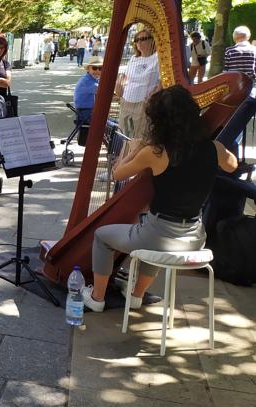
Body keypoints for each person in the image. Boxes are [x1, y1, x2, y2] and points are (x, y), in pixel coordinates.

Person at [81, 85, 238, 312]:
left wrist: (134, 149)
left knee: (102, 236)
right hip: (194, 238)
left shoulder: (155, 152)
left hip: (159, 236)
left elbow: (117, 173)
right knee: (151, 237)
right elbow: (232, 166)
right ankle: (136, 295)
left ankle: (96, 298)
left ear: (159, 121)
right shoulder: (214, 148)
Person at [114, 29, 160, 139]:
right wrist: (118, 85)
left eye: (143, 39)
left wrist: (152, 96)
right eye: (136, 40)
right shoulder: (133, 59)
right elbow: (124, 77)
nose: (139, 42)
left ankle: (134, 156)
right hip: (126, 101)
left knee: (138, 137)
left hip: (143, 104)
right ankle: (124, 155)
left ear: (152, 40)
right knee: (125, 135)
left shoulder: (158, 58)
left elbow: (161, 82)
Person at [223, 26, 256, 98]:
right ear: (248, 37)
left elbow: (225, 70)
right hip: (250, 85)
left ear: (234, 37)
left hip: (233, 85)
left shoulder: (229, 51)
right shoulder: (254, 50)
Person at [73, 56, 103, 123]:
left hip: (89, 110)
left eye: (100, 68)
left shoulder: (93, 79)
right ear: (88, 69)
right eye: (94, 68)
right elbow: (102, 91)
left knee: (111, 123)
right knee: (110, 125)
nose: (97, 71)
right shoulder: (86, 80)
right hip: (85, 112)